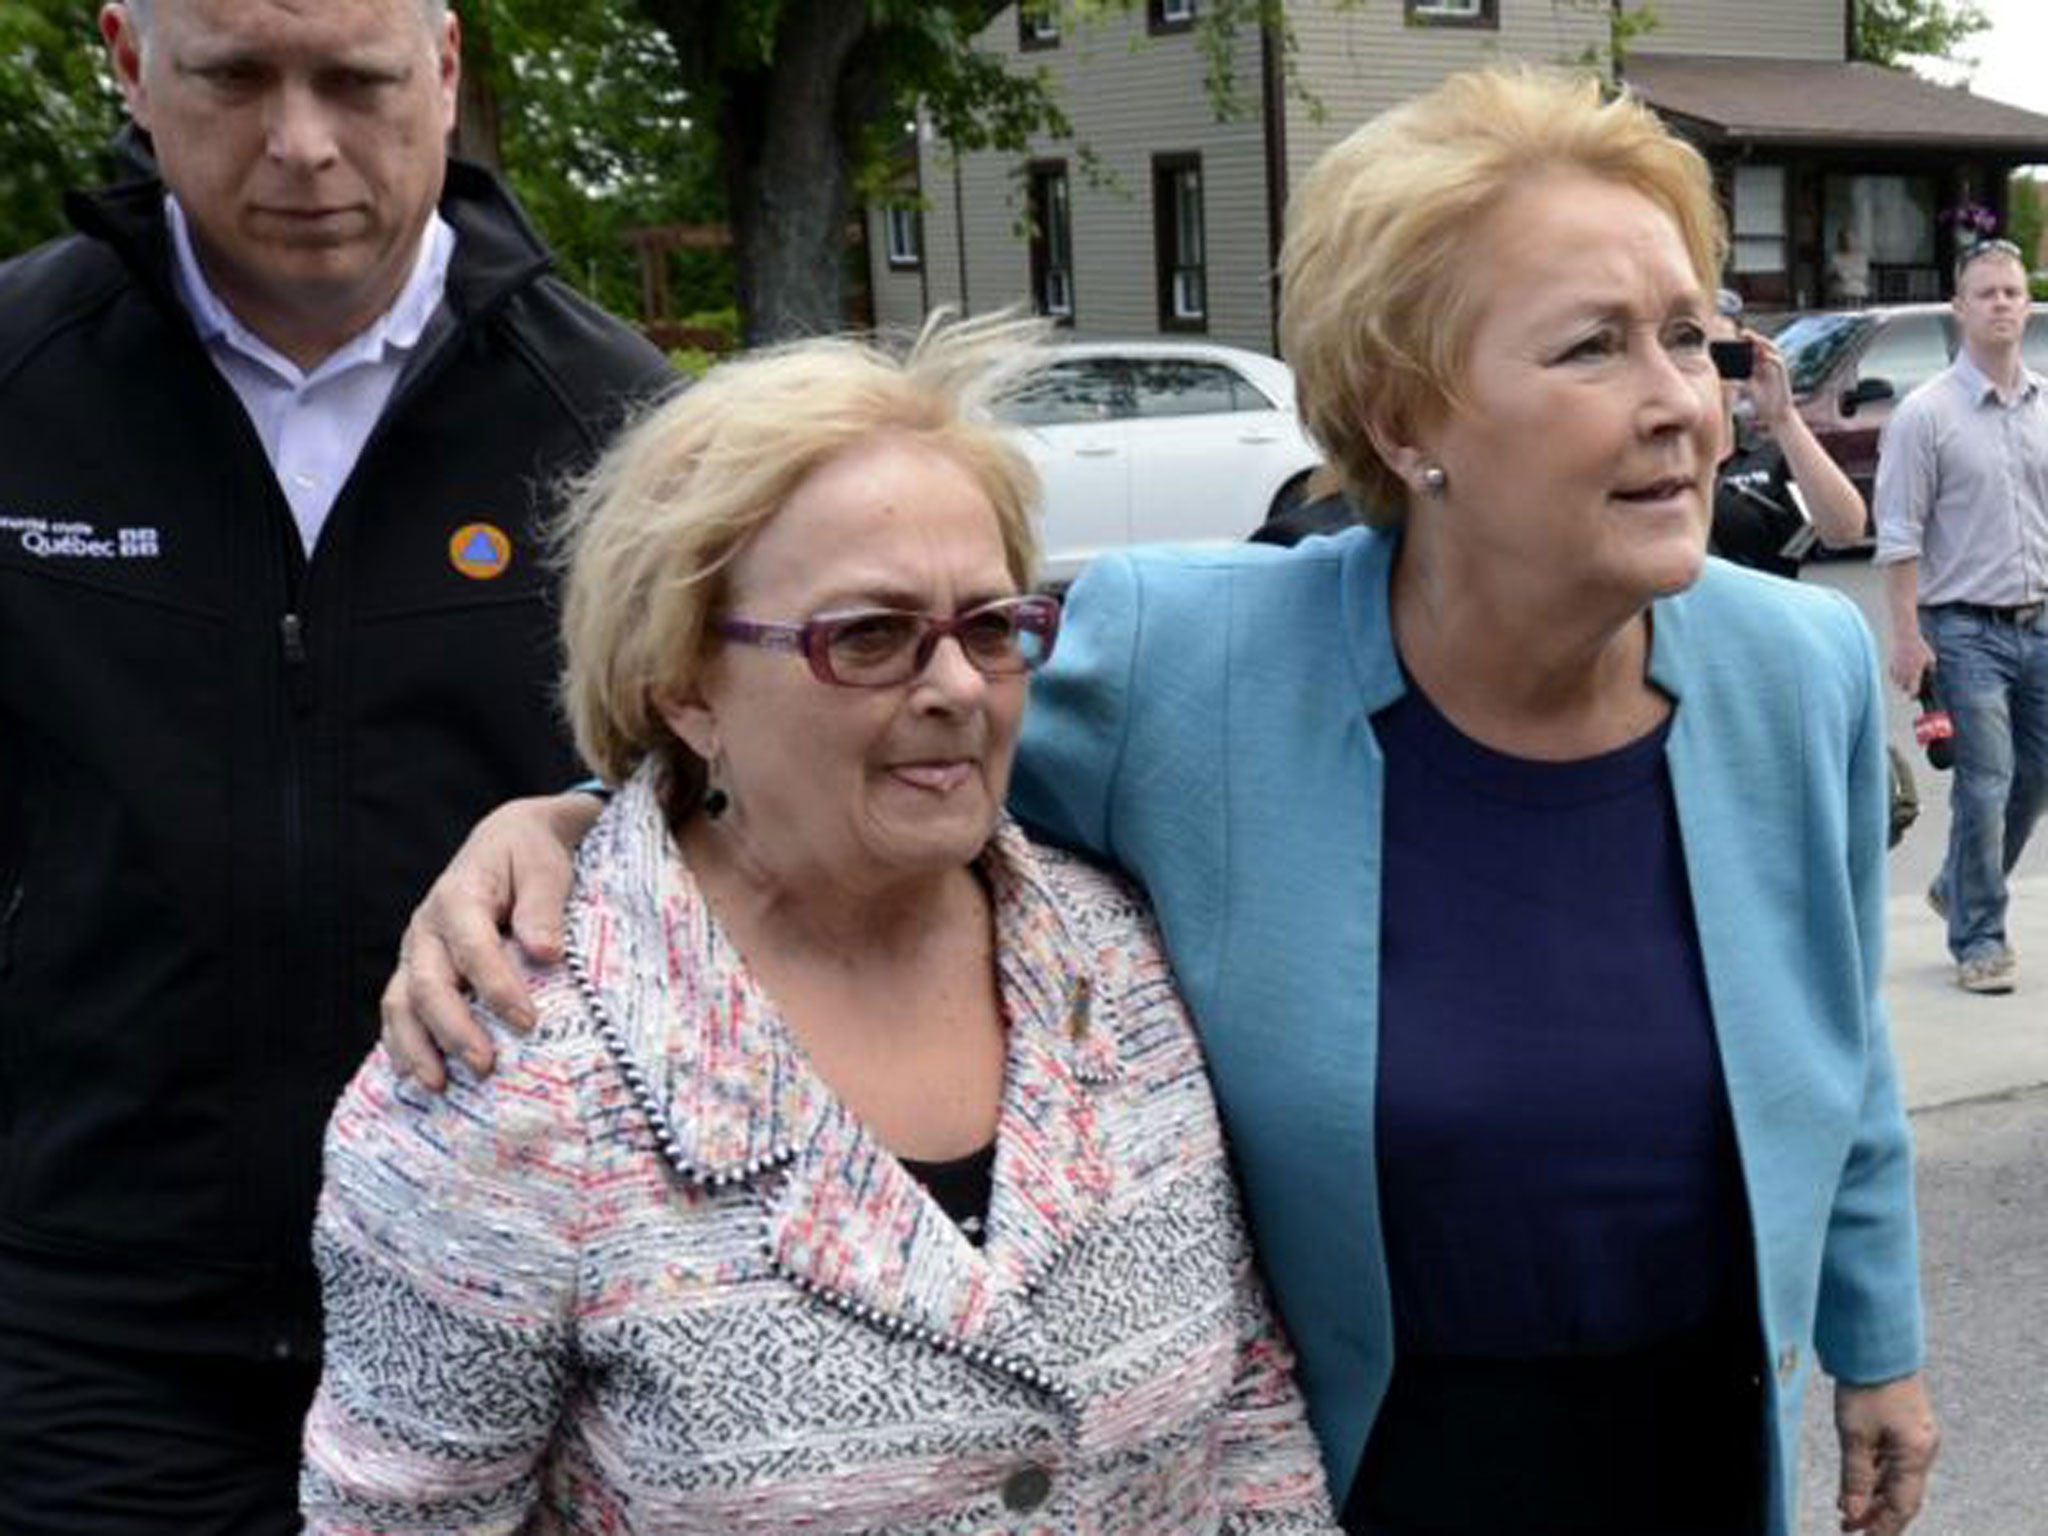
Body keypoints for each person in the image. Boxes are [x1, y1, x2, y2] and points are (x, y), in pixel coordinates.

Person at [385, 70, 1939, 1536]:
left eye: (1693, 336)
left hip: (1695, 1441)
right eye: (1593, 346)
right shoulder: (1191, 666)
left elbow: (1839, 1046)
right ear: (1406, 421)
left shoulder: (1797, 668)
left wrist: (1878, 1342)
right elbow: (876, 731)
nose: (1680, 401)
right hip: (1355, 1463)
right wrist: (580, 818)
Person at [299, 317, 1341, 1532]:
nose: (953, 686)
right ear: (684, 687)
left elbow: (1249, 1425)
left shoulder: (1111, 960)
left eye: (989, 626)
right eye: (869, 636)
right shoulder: (509, 1069)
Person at [0, 0, 670, 1527]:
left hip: (512, 1297)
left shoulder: (625, 431)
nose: (301, 144)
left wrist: (582, 814)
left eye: (355, 80)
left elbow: (732, 815)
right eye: (235, 77)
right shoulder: (18, 389)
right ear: (128, 62)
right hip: (98, 1313)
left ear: (441, 66)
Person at [1873, 235, 2048, 996]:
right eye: (1986, 293)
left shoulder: (2046, 403)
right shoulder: (1925, 415)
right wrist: (1908, 636)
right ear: (1959, 308)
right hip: (1964, 629)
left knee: (2034, 780)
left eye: (2012, 292)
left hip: (2040, 622)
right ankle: (1979, 937)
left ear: (2028, 303)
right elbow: (1899, 534)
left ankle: (1956, 882)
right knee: (1986, 781)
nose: (2002, 304)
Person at [1708, 292, 1869, 575]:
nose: (1709, 374)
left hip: (1760, 614)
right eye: (1694, 352)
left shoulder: (1769, 453)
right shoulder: (1652, 455)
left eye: (1723, 357)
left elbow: (1846, 532)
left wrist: (1783, 416)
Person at [1829, 226, 1872, 306]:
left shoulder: (1861, 257)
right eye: (1846, 239)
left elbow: (1863, 274)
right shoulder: (1836, 258)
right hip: (1842, 294)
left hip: (1859, 293)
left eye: (1852, 238)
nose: (1849, 242)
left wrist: (1848, 274)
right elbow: (1837, 274)